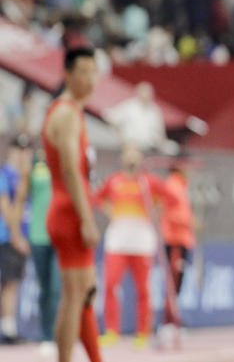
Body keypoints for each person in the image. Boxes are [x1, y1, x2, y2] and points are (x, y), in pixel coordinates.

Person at [42, 46, 103, 362]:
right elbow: (69, 170)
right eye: (83, 72)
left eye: (94, 72)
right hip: (69, 212)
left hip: (71, 209)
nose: (90, 79)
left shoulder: (71, 111)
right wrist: (86, 219)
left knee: (83, 294)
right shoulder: (65, 113)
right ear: (67, 74)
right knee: (74, 296)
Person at [92, 144, 173, 347]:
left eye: (135, 156)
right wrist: (109, 209)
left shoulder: (149, 182)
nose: (131, 160)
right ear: (122, 159)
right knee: (110, 284)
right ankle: (111, 330)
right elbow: (96, 198)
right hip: (118, 239)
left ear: (140, 160)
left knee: (143, 289)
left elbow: (169, 199)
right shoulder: (114, 181)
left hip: (142, 240)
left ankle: (142, 332)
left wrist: (157, 210)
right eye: (128, 156)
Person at [28, 146, 60, 357]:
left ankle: (58, 335)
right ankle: (46, 335)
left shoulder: (66, 161)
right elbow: (24, 193)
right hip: (38, 234)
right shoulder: (36, 164)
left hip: (60, 236)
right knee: (45, 288)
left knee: (57, 288)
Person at [160, 162, 198, 342]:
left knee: (178, 283)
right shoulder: (172, 185)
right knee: (172, 283)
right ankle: (168, 322)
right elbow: (167, 212)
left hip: (183, 240)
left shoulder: (182, 186)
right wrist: (190, 221)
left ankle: (174, 321)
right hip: (174, 240)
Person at [0, 134, 32, 345]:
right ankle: (8, 330)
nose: (23, 155)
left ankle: (10, 326)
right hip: (8, 237)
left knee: (14, 282)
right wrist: (16, 236)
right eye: (19, 150)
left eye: (26, 150)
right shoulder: (6, 175)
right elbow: (5, 206)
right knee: (9, 283)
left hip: (20, 235)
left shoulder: (24, 176)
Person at [104, 82, 176, 154]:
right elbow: (111, 118)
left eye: (149, 93)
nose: (147, 95)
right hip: (131, 148)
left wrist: (163, 144)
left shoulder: (154, 110)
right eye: (144, 92)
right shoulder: (129, 106)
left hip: (148, 149)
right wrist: (122, 138)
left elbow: (160, 132)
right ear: (138, 92)